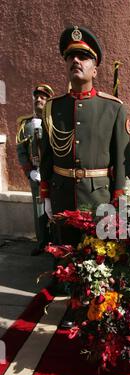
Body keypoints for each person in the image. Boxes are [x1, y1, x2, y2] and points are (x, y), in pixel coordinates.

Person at [40, 25, 130, 327]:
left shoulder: (113, 108)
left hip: (98, 197)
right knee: (68, 257)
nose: (76, 61)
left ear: (95, 66)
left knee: (96, 257)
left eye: (83, 57)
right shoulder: (53, 109)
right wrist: (45, 194)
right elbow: (47, 155)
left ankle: (96, 307)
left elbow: (122, 160)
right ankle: (74, 306)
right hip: (63, 192)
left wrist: (118, 199)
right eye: (71, 57)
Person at [16, 83, 54, 255]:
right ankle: (42, 242)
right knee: (39, 210)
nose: (39, 99)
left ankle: (57, 242)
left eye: (43, 97)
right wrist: (29, 171)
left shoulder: (54, 121)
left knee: (55, 208)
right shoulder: (26, 125)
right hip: (36, 174)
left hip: (54, 173)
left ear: (49, 101)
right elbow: (21, 150)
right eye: (37, 96)